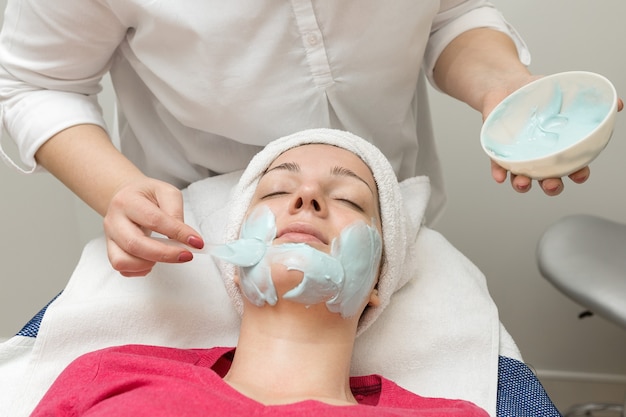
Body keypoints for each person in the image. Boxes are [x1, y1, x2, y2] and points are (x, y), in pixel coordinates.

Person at [1, 1, 616, 278]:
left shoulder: (435, 314)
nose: (309, 196)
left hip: (383, 215)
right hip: (192, 230)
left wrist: (502, 84)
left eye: (337, 195)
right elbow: (30, 83)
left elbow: (450, 13)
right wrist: (123, 191)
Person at [29, 130, 489, 416]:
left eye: (348, 199)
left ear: (377, 283)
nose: (306, 197)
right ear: (233, 266)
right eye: (277, 189)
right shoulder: (110, 375)